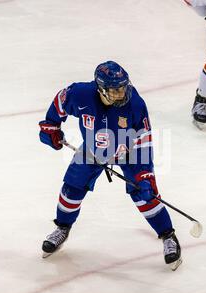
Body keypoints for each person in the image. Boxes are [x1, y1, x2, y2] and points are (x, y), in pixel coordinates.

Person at [38, 61, 182, 270]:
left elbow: (144, 141)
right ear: (100, 88)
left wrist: (144, 175)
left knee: (145, 195)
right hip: (92, 150)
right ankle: (62, 228)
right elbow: (60, 104)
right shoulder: (80, 94)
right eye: (115, 90)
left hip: (128, 152)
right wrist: (51, 126)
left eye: (123, 87)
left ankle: (168, 235)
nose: (121, 93)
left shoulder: (136, 105)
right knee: (71, 188)